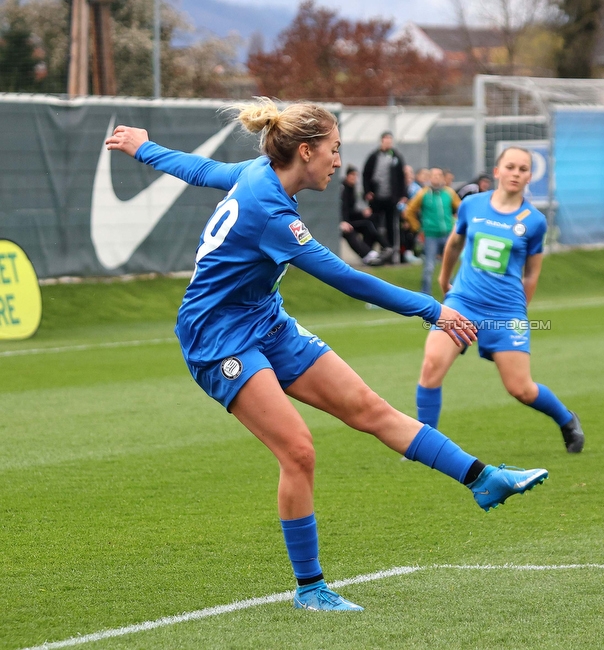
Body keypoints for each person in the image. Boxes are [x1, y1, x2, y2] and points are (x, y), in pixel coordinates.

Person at [104, 99, 548, 613]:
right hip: (218, 337)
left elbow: (201, 169)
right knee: (299, 450)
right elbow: (347, 278)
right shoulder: (271, 212)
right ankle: (311, 588)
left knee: (370, 409)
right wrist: (434, 309)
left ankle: (483, 479)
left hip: (265, 320)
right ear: (306, 151)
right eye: (334, 150)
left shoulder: (258, 172)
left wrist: (144, 148)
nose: (338, 161)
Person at [416, 147, 585, 454]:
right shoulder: (472, 205)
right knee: (431, 366)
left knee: (520, 388)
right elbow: (454, 244)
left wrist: (519, 312)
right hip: (463, 302)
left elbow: (532, 274)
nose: (516, 173)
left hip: (505, 312)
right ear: (497, 171)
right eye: (510, 167)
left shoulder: (534, 222)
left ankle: (567, 420)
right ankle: (425, 445)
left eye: (523, 169)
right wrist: (444, 280)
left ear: (529, 176)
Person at [403, 167, 460, 295]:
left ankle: (453, 295)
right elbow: (409, 210)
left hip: (447, 234)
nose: (437, 178)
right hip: (430, 235)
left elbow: (461, 208)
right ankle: (426, 295)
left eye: (439, 175)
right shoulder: (423, 193)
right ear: (430, 178)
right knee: (429, 267)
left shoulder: (449, 193)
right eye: (434, 175)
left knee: (450, 266)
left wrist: (458, 225)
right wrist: (418, 228)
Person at [339, 166, 393, 266]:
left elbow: (350, 209)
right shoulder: (343, 189)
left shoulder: (352, 189)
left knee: (370, 221)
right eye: (352, 176)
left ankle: (371, 253)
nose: (354, 178)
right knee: (362, 226)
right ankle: (380, 249)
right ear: (347, 176)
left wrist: (362, 213)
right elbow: (343, 208)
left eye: (356, 176)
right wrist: (344, 221)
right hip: (343, 221)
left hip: (348, 219)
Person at [362, 131, 406, 249]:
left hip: (391, 198)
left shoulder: (396, 157)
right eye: (386, 141)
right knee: (374, 223)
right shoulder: (374, 156)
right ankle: (370, 249)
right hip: (376, 197)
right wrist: (367, 191)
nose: (388, 143)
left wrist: (402, 194)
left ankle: (391, 249)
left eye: (390, 141)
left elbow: (401, 177)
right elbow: (366, 175)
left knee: (391, 225)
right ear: (381, 141)